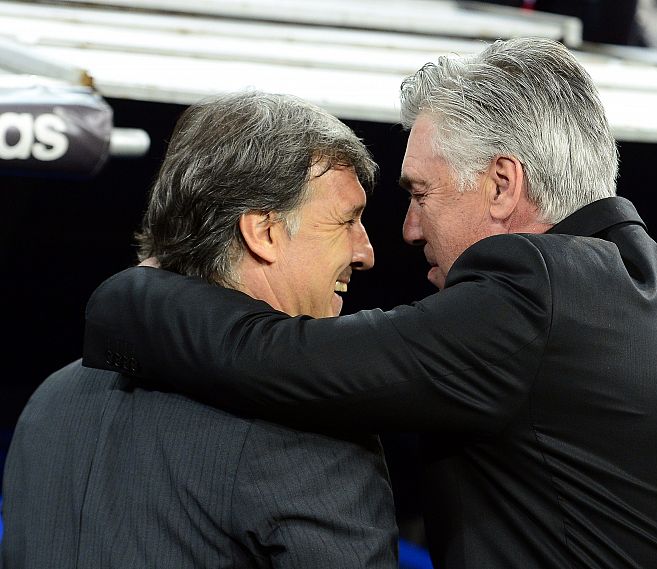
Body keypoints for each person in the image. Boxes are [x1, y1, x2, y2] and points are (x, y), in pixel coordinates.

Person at [81, 37, 657, 568]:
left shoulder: (537, 288)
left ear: (502, 183)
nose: (405, 231)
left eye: (420, 194)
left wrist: (132, 293)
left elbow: (279, 359)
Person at [1, 91, 398, 569]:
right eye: (347, 220)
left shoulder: (51, 401)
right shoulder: (308, 427)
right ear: (263, 232)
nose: (366, 252)